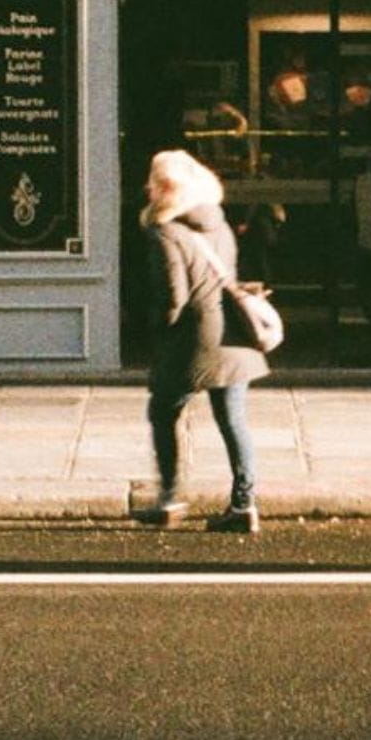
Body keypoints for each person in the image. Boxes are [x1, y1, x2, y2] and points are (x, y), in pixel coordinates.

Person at [137, 148, 267, 535]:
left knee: (163, 411)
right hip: (233, 335)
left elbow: (172, 297)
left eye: (153, 181)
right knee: (234, 420)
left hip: (195, 340)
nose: (147, 187)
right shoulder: (218, 222)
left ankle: (171, 497)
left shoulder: (165, 230)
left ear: (166, 188)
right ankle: (244, 504)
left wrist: (156, 330)